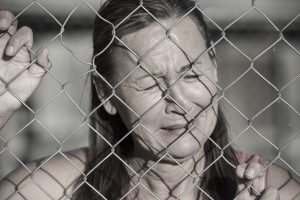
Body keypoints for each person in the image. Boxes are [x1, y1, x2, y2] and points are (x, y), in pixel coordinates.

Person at [0, 0, 299, 199]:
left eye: (191, 75)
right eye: (150, 84)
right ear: (107, 94)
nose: (179, 102)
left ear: (215, 69)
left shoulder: (271, 190)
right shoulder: (57, 188)